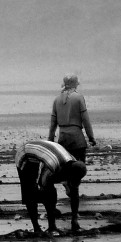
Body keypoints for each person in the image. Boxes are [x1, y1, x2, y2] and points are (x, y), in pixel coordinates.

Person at [47, 73, 96, 232]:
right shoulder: (79, 98)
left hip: (62, 139)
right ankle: (74, 218)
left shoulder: (56, 99)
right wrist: (91, 137)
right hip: (77, 139)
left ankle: (67, 184)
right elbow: (85, 119)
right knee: (78, 171)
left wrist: (50, 140)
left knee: (65, 169)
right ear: (75, 84)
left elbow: (53, 122)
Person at [15, 139, 87, 237]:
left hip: (43, 152)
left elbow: (74, 190)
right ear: (68, 173)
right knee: (33, 191)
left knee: (66, 192)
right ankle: (39, 228)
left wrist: (75, 220)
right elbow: (43, 184)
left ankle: (73, 224)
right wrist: (51, 206)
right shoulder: (52, 165)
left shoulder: (73, 161)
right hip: (25, 155)